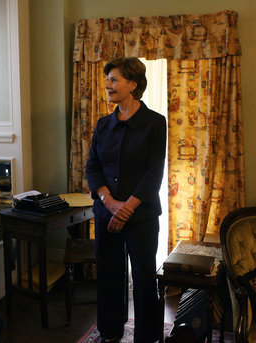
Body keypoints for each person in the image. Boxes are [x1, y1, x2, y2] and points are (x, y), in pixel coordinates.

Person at [86, 57, 166, 343]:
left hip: (141, 216)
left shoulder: (155, 123)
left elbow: (153, 172)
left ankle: (146, 337)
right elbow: (92, 167)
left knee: (144, 280)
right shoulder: (103, 124)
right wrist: (109, 203)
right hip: (106, 213)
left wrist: (126, 209)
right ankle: (110, 333)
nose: (108, 85)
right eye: (107, 79)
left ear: (133, 84)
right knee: (109, 276)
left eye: (114, 79)